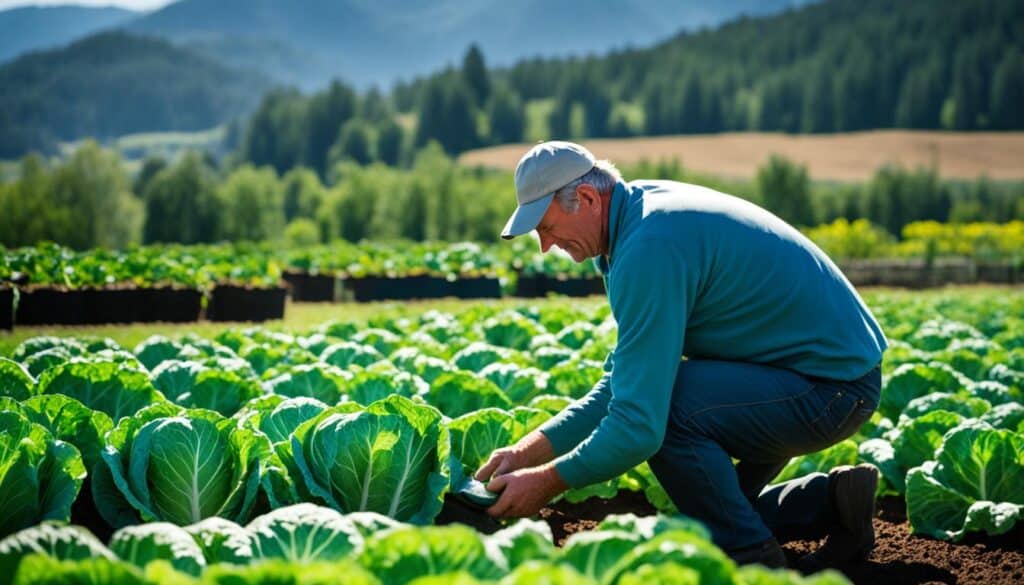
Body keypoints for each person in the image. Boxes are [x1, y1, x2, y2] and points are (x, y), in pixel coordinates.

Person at [475, 140, 887, 569]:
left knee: (665, 413)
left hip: (831, 389)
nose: (544, 246)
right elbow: (621, 384)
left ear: (586, 198)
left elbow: (638, 423)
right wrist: (526, 453)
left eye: (546, 227)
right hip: (800, 374)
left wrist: (545, 483)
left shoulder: (649, 247)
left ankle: (751, 560)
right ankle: (831, 502)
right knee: (709, 511)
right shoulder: (637, 218)